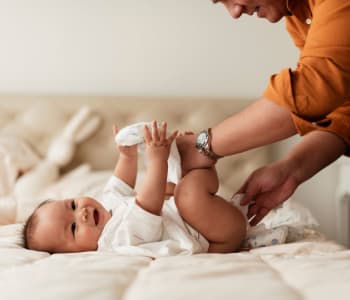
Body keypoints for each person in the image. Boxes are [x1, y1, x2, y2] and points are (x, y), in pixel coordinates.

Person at [177, 0, 350, 225]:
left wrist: (204, 146)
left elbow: (314, 87)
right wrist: (291, 169)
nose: (234, 13)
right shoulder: (298, 17)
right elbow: (343, 109)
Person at [22, 121, 248, 256]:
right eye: (73, 228)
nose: (80, 213)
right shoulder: (114, 241)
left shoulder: (107, 205)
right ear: (74, 254)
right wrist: (156, 160)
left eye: (72, 204)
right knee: (184, 195)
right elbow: (148, 205)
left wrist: (127, 155)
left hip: (200, 218)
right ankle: (197, 162)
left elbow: (120, 182)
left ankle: (191, 161)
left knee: (171, 188)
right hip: (216, 238)